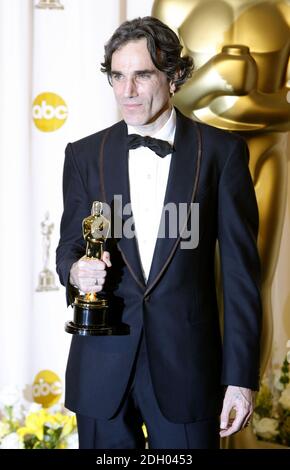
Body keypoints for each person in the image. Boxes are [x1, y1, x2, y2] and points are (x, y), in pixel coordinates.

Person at [56, 16, 262, 449]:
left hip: (189, 374)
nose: (127, 91)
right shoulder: (83, 154)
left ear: (174, 77)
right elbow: (68, 250)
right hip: (101, 371)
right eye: (118, 76)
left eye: (142, 75)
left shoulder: (221, 154)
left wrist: (241, 380)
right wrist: (77, 273)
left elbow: (243, 278)